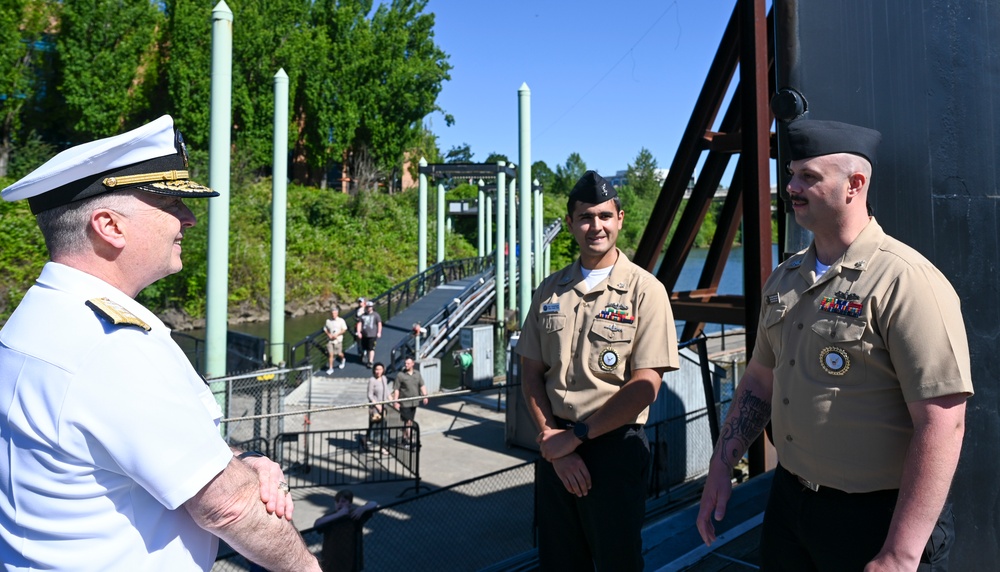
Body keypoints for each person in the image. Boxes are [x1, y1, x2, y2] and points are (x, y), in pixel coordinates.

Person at [0, 116, 320, 571]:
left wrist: (244, 460)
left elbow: (142, 446)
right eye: (171, 202)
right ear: (109, 225)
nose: (188, 218)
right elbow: (226, 506)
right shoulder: (111, 347)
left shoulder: (35, 319)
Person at [695, 119, 973, 571]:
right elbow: (760, 380)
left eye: (809, 176)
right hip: (791, 503)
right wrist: (722, 464)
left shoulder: (905, 281)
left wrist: (901, 553)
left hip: (877, 518)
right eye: (790, 174)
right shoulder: (785, 279)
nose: (790, 187)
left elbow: (944, 422)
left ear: (854, 185)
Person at [517, 170, 680, 571]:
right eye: (586, 217)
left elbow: (645, 387)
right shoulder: (549, 290)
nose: (596, 226)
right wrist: (552, 440)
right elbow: (532, 373)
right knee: (558, 562)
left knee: (617, 562)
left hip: (613, 450)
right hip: (556, 445)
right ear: (570, 223)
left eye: (605, 216)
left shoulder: (646, 291)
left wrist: (576, 438)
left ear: (620, 219)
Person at [313, 490, 378, 572]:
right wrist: (338, 515)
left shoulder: (354, 515)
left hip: (351, 559)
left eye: (343, 501)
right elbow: (317, 523)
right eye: (337, 501)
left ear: (350, 504)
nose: (339, 504)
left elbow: (374, 504)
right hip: (331, 560)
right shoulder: (331, 517)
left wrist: (362, 508)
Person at [391, 357, 428, 445]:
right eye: (405, 363)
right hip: (404, 403)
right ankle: (411, 439)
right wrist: (395, 401)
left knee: (409, 421)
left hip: (414, 402)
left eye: (408, 363)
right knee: (408, 421)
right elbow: (396, 389)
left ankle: (404, 437)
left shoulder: (417, 374)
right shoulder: (400, 375)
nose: (406, 365)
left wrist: (425, 396)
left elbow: (422, 385)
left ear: (412, 364)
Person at [365, 362, 390, 454]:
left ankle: (382, 446)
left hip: (384, 407)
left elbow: (386, 390)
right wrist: (377, 405)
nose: (378, 371)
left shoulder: (384, 378)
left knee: (382, 427)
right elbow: (370, 395)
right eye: (376, 369)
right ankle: (368, 440)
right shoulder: (372, 380)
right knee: (375, 427)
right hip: (375, 409)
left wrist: (392, 400)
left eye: (380, 369)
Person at [356, 301, 382, 367]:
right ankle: (366, 357)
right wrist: (358, 332)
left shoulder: (376, 315)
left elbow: (379, 324)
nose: (369, 308)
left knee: (371, 348)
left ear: (372, 307)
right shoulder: (363, 315)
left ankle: (370, 361)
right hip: (364, 335)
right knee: (365, 348)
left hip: (372, 335)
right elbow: (359, 324)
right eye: (368, 307)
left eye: (370, 307)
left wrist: (379, 332)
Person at [324, 306, 348, 374]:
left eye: (335, 313)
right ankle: (331, 368)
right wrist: (328, 334)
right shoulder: (328, 321)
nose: (333, 315)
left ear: (337, 313)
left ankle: (343, 359)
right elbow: (325, 329)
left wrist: (337, 335)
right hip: (330, 340)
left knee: (339, 353)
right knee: (330, 354)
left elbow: (344, 329)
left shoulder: (341, 321)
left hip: (338, 340)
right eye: (332, 313)